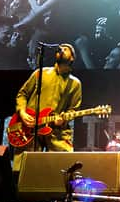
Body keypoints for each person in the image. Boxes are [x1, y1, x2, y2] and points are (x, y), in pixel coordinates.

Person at [11, 43, 82, 176]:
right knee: (24, 170)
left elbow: (73, 109)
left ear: (72, 58)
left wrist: (63, 119)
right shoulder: (40, 73)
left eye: (66, 49)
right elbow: (22, 94)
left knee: (61, 168)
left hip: (55, 130)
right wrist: (22, 112)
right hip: (29, 129)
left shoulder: (75, 83)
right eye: (59, 49)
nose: (61, 50)